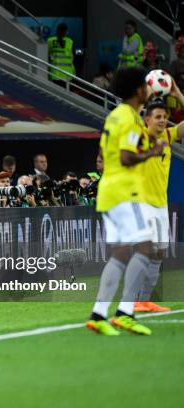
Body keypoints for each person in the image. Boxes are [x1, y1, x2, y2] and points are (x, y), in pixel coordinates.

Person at [86, 67, 166, 336]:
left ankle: (99, 314)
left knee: (121, 252)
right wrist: (153, 151)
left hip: (110, 190)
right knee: (145, 248)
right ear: (137, 90)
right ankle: (125, 312)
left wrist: (148, 141)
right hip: (124, 191)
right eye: (145, 85)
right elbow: (126, 157)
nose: (148, 89)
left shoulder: (117, 115)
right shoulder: (129, 118)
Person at [134, 95, 184, 313]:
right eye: (158, 117)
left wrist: (177, 93)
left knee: (160, 252)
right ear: (147, 119)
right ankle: (133, 299)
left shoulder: (167, 136)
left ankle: (144, 301)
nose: (163, 120)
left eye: (165, 116)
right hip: (142, 203)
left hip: (160, 204)